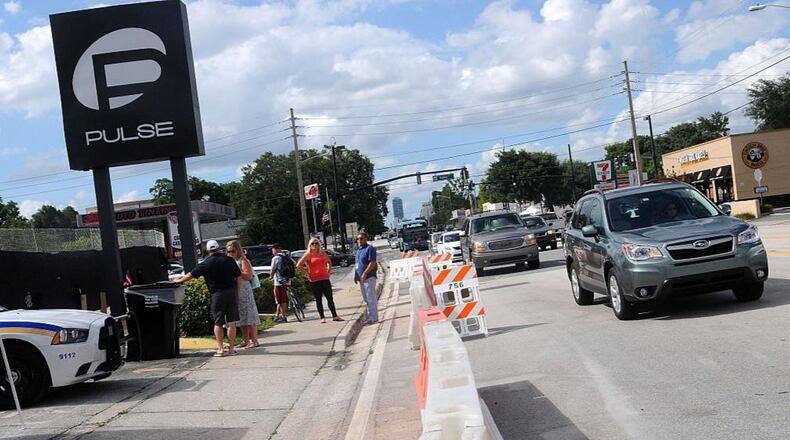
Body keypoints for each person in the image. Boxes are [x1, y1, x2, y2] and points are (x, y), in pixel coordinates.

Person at [174, 240, 241, 357]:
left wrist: (179, 280)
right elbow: (238, 277)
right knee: (231, 322)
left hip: (217, 294)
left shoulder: (206, 263)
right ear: (219, 248)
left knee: (218, 322)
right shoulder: (229, 260)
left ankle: (220, 349)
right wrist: (237, 292)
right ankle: (231, 349)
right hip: (230, 292)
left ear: (208, 250)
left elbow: (191, 275)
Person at [296, 238, 344, 323]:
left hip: (324, 278)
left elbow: (329, 262)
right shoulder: (308, 254)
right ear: (310, 245)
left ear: (319, 245)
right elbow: (299, 265)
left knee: (330, 298)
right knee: (318, 299)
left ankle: (335, 315)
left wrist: (328, 270)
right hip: (314, 280)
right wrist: (307, 273)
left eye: (316, 243)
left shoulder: (322, 253)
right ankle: (322, 317)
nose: (315, 245)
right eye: (313, 244)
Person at [226, 240, 260, 349]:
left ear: (238, 250)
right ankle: (245, 340)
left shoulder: (243, 260)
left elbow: (249, 276)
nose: (231, 253)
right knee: (241, 318)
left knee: (250, 316)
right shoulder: (229, 261)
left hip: (245, 290)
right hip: (235, 290)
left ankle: (254, 341)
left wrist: (237, 271)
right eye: (228, 251)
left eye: (233, 251)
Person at [354, 232, 378, 324]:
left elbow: (372, 262)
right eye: (358, 239)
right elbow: (357, 265)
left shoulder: (370, 249)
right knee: (366, 299)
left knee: (370, 297)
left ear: (366, 239)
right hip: (361, 279)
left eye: (361, 238)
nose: (359, 240)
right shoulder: (359, 251)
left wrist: (365, 273)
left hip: (369, 277)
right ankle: (370, 315)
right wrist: (356, 276)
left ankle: (373, 317)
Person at [270, 244, 292, 322]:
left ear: (275, 250)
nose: (272, 251)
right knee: (284, 299)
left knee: (281, 300)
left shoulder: (275, 258)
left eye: (272, 250)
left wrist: (271, 277)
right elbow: (294, 264)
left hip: (279, 282)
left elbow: (272, 270)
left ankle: (284, 316)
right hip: (288, 280)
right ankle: (277, 315)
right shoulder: (286, 256)